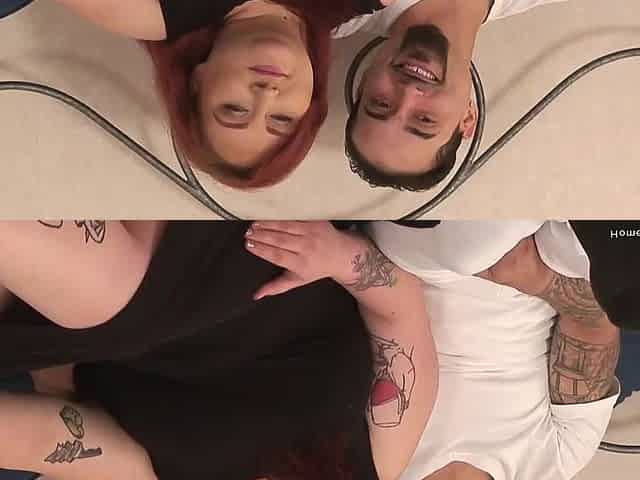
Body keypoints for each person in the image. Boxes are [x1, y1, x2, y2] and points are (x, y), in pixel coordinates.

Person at [0, 221, 438, 480]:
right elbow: (400, 309)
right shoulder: (379, 453)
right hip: (240, 249)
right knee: (103, 295)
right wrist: (340, 256)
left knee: (89, 306)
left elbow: (54, 439)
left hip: (87, 320)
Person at [361, 221, 620, 480]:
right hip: (545, 265)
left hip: (412, 263)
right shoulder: (555, 464)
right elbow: (593, 323)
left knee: (475, 248)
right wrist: (541, 279)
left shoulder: (368, 463)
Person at [50, 0, 393, 189]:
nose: (266, 94)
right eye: (281, 118)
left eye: (235, 109)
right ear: (311, 103)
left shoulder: (140, 10)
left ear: (197, 83)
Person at [340, 0, 567, 191]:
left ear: (364, 84)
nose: (409, 92)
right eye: (425, 119)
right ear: (468, 117)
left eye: (381, 103)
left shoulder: (336, 12)